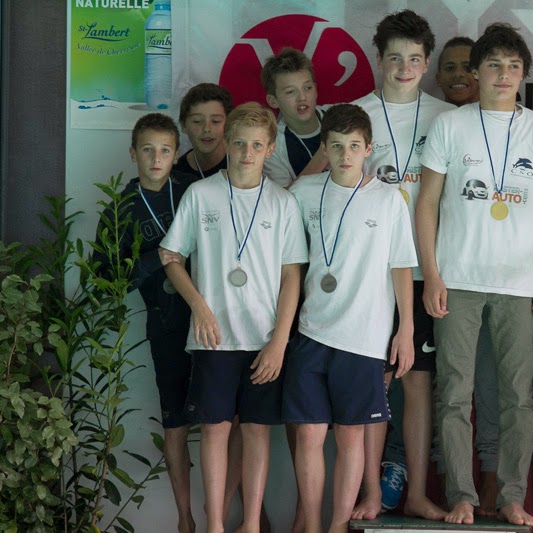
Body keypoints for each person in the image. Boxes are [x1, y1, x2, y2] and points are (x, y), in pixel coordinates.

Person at [417, 22, 533, 526]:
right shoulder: (450, 125)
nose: (503, 75)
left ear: (524, 73)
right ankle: (461, 495)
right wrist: (432, 274)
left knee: (517, 399)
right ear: (477, 71)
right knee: (453, 393)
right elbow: (427, 204)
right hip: (457, 280)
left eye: (512, 66)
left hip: (518, 284)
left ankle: (511, 497)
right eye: (493, 65)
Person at [159, 102, 308, 533]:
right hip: (215, 337)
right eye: (239, 144)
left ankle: (252, 524)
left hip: (264, 340)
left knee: (257, 430)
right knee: (214, 430)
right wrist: (200, 307)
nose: (246, 153)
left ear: (270, 148)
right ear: (226, 143)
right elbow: (171, 257)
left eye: (257, 146)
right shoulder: (201, 194)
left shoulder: (283, 203)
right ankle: (215, 526)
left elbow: (292, 277)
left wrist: (279, 342)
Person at [284, 103, 418, 533]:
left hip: (364, 337)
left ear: (369, 149)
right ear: (324, 148)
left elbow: (401, 266)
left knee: (350, 436)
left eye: (354, 146)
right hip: (311, 330)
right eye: (337, 145)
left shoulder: (389, 198)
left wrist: (406, 330)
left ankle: (338, 525)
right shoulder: (303, 193)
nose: (346, 154)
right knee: (308, 435)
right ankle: (311, 524)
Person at [350, 9, 454, 522]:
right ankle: (371, 491)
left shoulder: (447, 117)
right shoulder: (355, 113)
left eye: (414, 58)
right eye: (395, 58)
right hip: (371, 274)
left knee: (418, 383)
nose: (405, 67)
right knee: (376, 383)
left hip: (425, 270)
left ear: (427, 62)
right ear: (379, 59)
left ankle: (413, 491)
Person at [93, 113, 198, 533]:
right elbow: (103, 282)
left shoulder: (194, 191)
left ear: (176, 154)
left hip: (216, 320)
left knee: (227, 423)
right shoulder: (119, 210)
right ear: (133, 153)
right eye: (148, 150)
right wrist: (155, 259)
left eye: (165, 150)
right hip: (167, 326)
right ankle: (185, 519)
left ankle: (244, 515)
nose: (156, 158)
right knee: (176, 423)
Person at [262, 47, 329, 187]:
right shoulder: (272, 147)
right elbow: (283, 197)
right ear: (273, 101)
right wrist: (323, 156)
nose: (302, 97)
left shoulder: (341, 115)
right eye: (291, 92)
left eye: (308, 88)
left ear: (316, 89)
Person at [173, 82, 232, 179]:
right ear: (183, 125)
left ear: (229, 124)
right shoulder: (174, 174)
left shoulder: (243, 164)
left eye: (215, 121)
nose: (207, 129)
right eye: (197, 121)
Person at [435, 36, 479, 106]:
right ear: (438, 79)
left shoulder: (497, 112)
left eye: (467, 67)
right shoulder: (426, 113)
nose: (458, 74)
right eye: (450, 68)